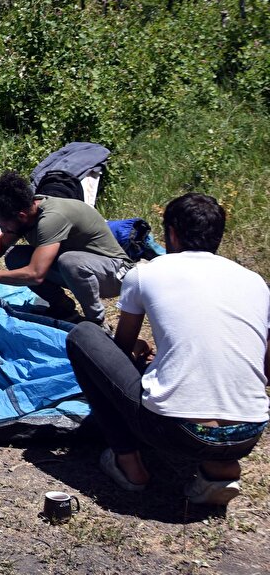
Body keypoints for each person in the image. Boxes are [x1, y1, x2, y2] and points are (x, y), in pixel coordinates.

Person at [65, 193, 268, 505]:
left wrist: (138, 351)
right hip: (249, 433)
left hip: (174, 431)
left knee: (85, 335)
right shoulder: (255, 282)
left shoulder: (146, 273)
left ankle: (128, 462)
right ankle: (221, 467)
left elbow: (120, 350)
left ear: (172, 233)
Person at [0, 171, 131, 324]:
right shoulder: (28, 210)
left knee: (69, 262)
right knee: (15, 257)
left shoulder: (51, 219)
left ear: (21, 216)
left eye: (5, 227)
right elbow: (1, 244)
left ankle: (96, 321)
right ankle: (64, 310)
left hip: (114, 274)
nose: (4, 231)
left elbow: (35, 274)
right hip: (84, 269)